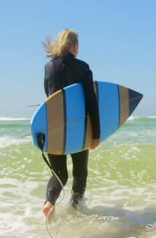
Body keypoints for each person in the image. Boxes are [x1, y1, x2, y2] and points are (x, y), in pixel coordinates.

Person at [41, 29, 101, 219]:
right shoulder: (83, 67)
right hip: (78, 127)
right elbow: (91, 101)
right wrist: (96, 133)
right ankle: (76, 210)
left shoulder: (49, 67)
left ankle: (49, 203)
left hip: (54, 127)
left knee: (59, 173)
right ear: (74, 46)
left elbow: (50, 98)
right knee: (80, 172)